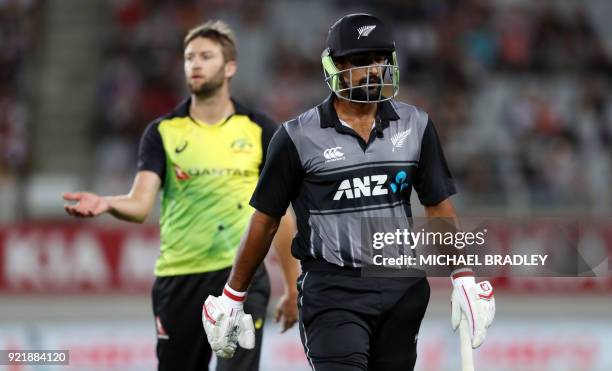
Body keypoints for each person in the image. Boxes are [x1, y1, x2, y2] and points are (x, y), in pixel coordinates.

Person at [202, 13, 495, 371]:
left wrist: (462, 274)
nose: (374, 69)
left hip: (401, 286)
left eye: (380, 59)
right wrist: (233, 296)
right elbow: (265, 221)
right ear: (335, 66)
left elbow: (438, 208)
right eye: (361, 61)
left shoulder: (416, 126)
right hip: (332, 291)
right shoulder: (296, 137)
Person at [62, 20, 299, 371]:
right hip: (179, 279)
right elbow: (141, 203)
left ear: (230, 66)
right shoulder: (162, 132)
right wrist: (108, 203)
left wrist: (293, 288)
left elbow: (279, 215)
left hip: (241, 276)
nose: (196, 64)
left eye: (206, 56)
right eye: (189, 58)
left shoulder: (260, 129)